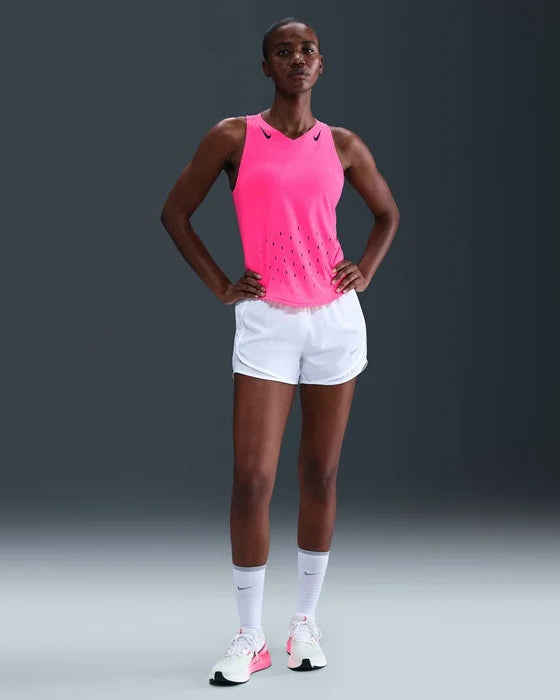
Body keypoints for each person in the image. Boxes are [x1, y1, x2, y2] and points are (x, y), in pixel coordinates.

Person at [160, 15, 400, 687]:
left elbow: (387, 214)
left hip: (334, 323)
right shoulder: (234, 137)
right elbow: (175, 212)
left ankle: (304, 625)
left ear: (321, 65)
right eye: (283, 50)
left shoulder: (343, 145)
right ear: (266, 66)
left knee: (320, 474)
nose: (298, 58)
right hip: (267, 322)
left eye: (308, 49)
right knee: (252, 480)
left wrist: (366, 269)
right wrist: (221, 286)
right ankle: (249, 636)